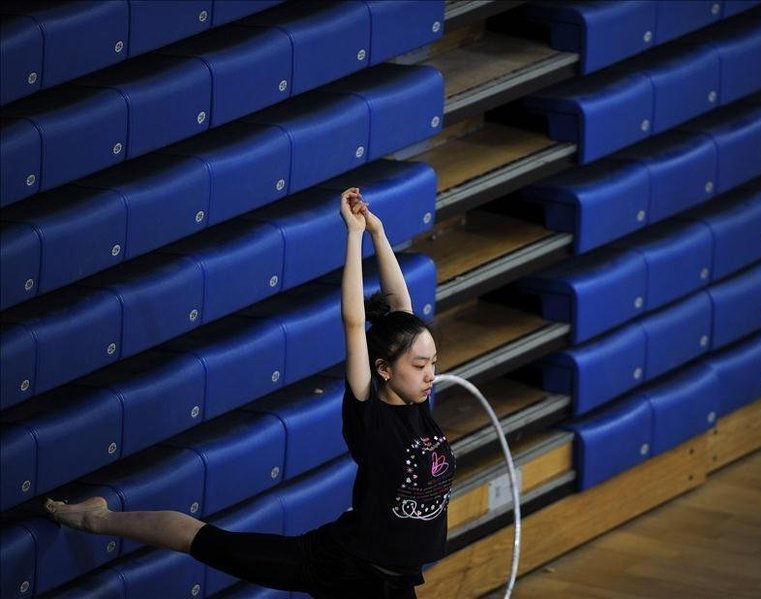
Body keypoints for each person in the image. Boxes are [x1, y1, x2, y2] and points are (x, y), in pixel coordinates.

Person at [44, 188, 456, 598]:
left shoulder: (416, 406)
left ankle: (98, 519)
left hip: (394, 580)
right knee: (206, 542)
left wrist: (379, 234)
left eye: (432, 363)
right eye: (420, 365)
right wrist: (353, 236)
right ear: (383, 368)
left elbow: (400, 306)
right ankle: (96, 520)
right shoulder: (371, 413)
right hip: (345, 569)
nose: (430, 374)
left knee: (211, 544)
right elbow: (353, 322)